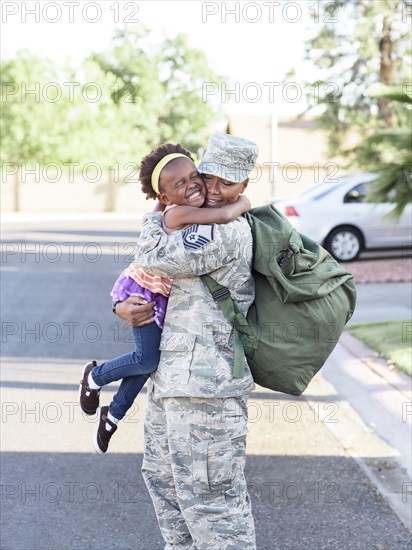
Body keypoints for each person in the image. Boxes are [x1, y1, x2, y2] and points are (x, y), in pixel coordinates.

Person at [116, 132, 259, 549]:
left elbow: (154, 257)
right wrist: (122, 307)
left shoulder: (225, 231)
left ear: (244, 187)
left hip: (208, 387)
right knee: (164, 484)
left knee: (214, 504)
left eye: (226, 184)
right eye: (207, 177)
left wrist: (159, 212)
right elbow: (147, 280)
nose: (212, 190)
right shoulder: (197, 221)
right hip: (174, 380)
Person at [79, 143, 250, 454]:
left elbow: (165, 239)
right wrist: (244, 201)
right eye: (183, 183)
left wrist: (161, 207)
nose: (198, 185)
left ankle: (112, 416)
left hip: (170, 317)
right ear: (164, 196)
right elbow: (221, 215)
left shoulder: (205, 223)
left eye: (194, 176)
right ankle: (96, 377)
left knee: (145, 364)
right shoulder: (185, 213)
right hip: (146, 292)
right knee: (145, 360)